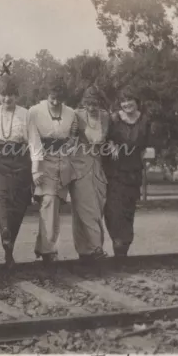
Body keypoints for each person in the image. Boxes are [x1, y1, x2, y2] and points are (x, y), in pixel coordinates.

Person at [0, 74, 34, 268]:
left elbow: (34, 141)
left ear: (17, 95)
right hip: (0, 161)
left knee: (18, 207)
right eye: (3, 95)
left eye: (11, 94)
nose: (7, 99)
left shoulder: (26, 114)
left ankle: (8, 249)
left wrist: (36, 168)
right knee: (1, 197)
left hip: (21, 161)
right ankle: (5, 231)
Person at [27, 77, 79, 265]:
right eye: (52, 99)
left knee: (54, 205)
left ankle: (43, 248)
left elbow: (73, 136)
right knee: (48, 201)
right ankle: (49, 251)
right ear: (47, 96)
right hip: (43, 161)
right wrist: (35, 169)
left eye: (59, 99)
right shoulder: (35, 111)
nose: (55, 102)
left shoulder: (71, 113)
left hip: (63, 162)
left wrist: (68, 148)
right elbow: (33, 140)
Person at [103, 88, 151, 257]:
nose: (126, 104)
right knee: (113, 210)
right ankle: (118, 242)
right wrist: (111, 145)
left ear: (137, 101)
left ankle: (122, 249)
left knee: (128, 211)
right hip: (115, 171)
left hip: (133, 172)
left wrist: (147, 154)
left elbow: (149, 142)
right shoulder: (114, 119)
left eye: (130, 100)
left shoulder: (145, 120)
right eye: (123, 101)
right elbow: (105, 138)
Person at [70, 85, 110, 263]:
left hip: (98, 167)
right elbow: (68, 138)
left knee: (97, 206)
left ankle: (84, 251)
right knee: (86, 208)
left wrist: (114, 145)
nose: (92, 108)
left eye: (95, 104)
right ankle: (96, 247)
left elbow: (112, 138)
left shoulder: (106, 117)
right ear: (84, 103)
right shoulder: (77, 115)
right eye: (88, 104)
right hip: (80, 165)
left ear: (100, 103)